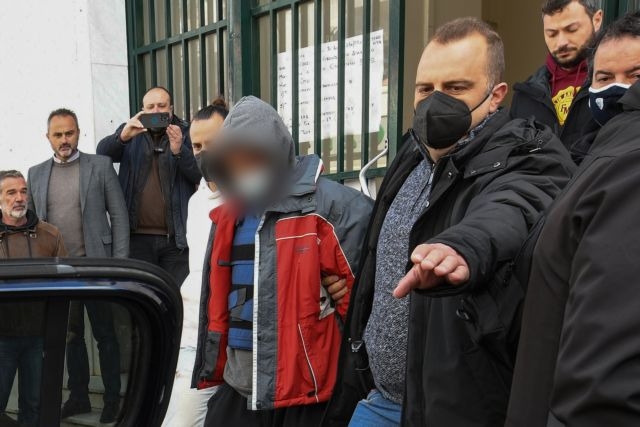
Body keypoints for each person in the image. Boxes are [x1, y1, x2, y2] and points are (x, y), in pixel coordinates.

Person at [323, 17, 575, 427]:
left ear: (495, 96)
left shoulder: (527, 155)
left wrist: (464, 246)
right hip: (379, 399)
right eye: (426, 89)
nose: (435, 101)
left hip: (454, 410)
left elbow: (514, 205)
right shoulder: (411, 155)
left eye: (456, 88)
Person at [191, 96, 372, 427]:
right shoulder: (227, 218)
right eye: (234, 163)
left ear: (277, 153)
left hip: (307, 391)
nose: (244, 170)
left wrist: (342, 296)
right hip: (238, 383)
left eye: (253, 159)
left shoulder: (336, 208)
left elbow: (368, 305)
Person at [507, 12, 640, 426]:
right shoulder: (593, 156)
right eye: (604, 78)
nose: (617, 90)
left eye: (635, 76)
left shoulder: (627, 164)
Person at [27, 108, 128, 423]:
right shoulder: (36, 173)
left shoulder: (100, 166)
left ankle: (112, 399)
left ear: (79, 133)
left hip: (96, 266)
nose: (64, 139)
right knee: (70, 336)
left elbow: (119, 215)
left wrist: (119, 265)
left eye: (69, 133)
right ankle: (79, 397)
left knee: (105, 334)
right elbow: (33, 225)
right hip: (58, 271)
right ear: (48, 138)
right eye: (57, 134)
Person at [162, 99, 228, 427]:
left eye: (212, 144)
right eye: (197, 146)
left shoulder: (252, 200)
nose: (203, 154)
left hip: (231, 341)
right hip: (192, 334)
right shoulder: (195, 201)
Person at [97, 86, 201, 286]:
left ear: (171, 109)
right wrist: (122, 137)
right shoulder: (131, 130)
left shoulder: (186, 133)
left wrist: (180, 151)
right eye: (150, 107)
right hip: (137, 238)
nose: (155, 111)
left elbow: (200, 174)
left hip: (176, 240)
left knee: (176, 296)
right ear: (142, 110)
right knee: (143, 295)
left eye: (161, 106)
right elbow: (102, 153)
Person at [0, 170, 67, 426]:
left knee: (35, 406)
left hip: (38, 338)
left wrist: (64, 330)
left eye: (23, 191)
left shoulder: (50, 234)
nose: (19, 198)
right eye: (11, 192)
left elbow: (66, 286)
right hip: (1, 339)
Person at [510, 0, 602, 153]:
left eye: (572, 30)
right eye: (551, 34)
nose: (561, 42)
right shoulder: (525, 95)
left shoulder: (615, 82)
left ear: (597, 20)